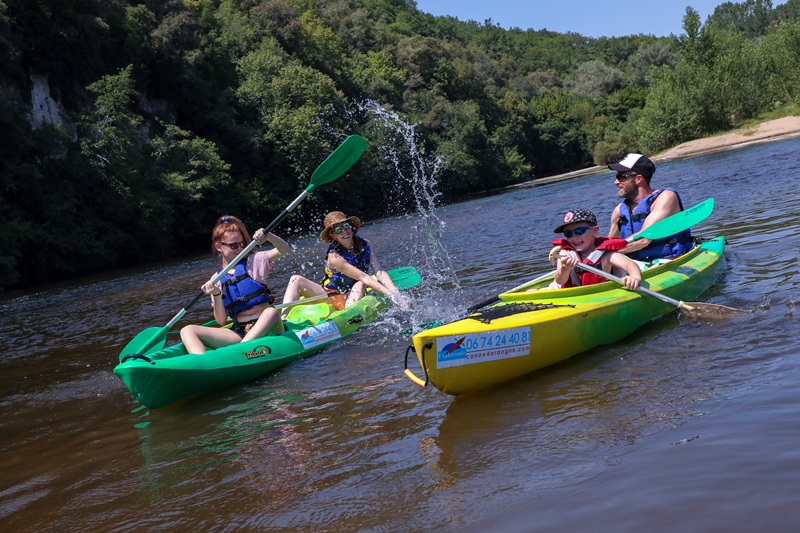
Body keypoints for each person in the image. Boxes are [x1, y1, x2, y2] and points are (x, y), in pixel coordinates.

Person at [180, 215, 290, 354]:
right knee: (187, 330)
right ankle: (203, 363)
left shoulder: (254, 261)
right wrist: (216, 294)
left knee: (271, 312)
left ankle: (240, 352)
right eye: (233, 245)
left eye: (241, 244)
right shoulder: (216, 279)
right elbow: (221, 321)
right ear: (219, 246)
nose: (239, 249)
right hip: (240, 332)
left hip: (269, 327)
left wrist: (269, 236)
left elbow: (284, 249)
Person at [281, 211, 410, 314]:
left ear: (351, 228)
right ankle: (284, 318)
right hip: (331, 294)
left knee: (360, 284)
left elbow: (379, 271)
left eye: (346, 226)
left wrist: (396, 293)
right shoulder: (334, 257)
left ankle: (348, 312)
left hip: (354, 291)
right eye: (338, 230)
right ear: (333, 236)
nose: (344, 232)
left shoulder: (366, 244)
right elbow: (363, 276)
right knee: (295, 279)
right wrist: (389, 294)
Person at [607, 153, 694, 262]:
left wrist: (608, 251)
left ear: (638, 179)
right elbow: (609, 241)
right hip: (635, 266)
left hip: (672, 260)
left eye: (621, 177)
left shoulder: (666, 197)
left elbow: (644, 239)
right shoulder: (619, 211)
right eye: (616, 177)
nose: (616, 182)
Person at [552, 208, 642, 290]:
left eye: (579, 231)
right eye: (568, 234)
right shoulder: (565, 253)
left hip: (601, 295)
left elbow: (629, 265)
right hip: (572, 297)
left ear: (595, 231)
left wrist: (635, 277)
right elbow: (560, 281)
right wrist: (566, 269)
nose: (574, 237)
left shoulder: (606, 256)